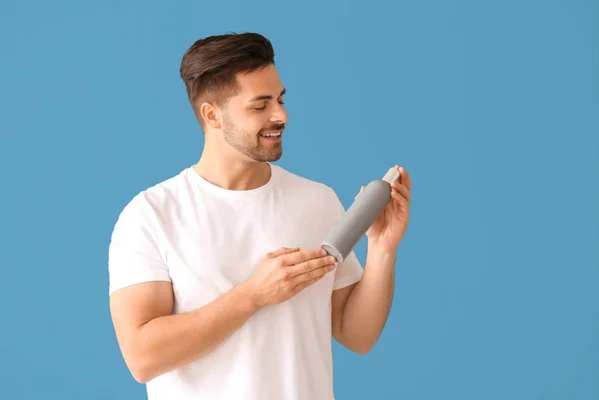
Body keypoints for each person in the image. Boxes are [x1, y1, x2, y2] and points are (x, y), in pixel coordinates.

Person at [108, 32, 412, 400]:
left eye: (281, 99)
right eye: (260, 105)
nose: (281, 115)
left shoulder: (317, 201)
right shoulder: (152, 215)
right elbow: (142, 357)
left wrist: (382, 249)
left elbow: (358, 335)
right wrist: (252, 296)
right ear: (212, 114)